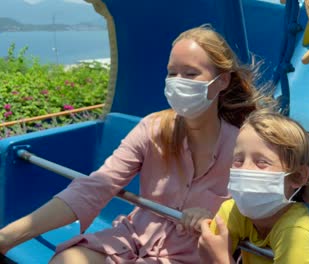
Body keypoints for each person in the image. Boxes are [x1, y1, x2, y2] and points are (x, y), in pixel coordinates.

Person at [0, 25, 269, 263]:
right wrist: (8, 237)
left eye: (190, 74)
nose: (178, 83)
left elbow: (258, 220)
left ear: (221, 81)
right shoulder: (152, 128)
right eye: (172, 73)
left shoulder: (246, 146)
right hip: (132, 240)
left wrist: (218, 219)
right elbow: (96, 186)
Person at [198, 110, 309, 264]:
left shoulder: (297, 233)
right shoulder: (235, 211)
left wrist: (221, 260)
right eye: (238, 160)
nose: (245, 169)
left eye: (261, 162)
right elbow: (207, 252)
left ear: (298, 176)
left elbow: (215, 257)